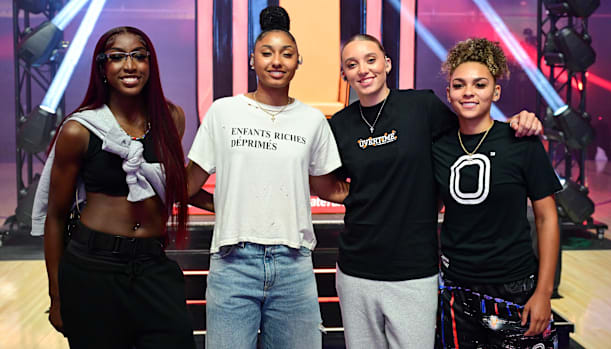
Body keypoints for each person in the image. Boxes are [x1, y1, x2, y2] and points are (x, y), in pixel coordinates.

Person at [328, 34, 543, 349]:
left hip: (416, 271)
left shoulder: (422, 106)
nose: (363, 69)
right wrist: (368, 198)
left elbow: (471, 128)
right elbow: (325, 182)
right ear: (343, 74)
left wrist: (515, 124)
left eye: (371, 59)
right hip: (355, 271)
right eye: (352, 64)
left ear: (387, 63)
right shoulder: (341, 125)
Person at [186, 6, 347, 349]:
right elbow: (187, 186)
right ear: (252, 60)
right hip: (233, 264)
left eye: (287, 54)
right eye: (267, 53)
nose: (277, 61)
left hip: (294, 264)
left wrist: (389, 191)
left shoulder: (313, 120)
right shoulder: (224, 111)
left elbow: (326, 187)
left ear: (297, 62)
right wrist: (223, 205)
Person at [35, 26, 195, 348]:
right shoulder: (79, 130)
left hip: (152, 265)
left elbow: (169, 182)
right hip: (94, 268)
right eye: (118, 57)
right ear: (102, 68)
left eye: (139, 55)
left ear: (150, 64)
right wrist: (56, 295)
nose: (130, 65)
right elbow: (55, 217)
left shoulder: (171, 118)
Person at [433, 38, 561, 348]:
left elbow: (546, 219)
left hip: (515, 289)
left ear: (495, 91)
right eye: (459, 85)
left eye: (479, 84)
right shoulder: (438, 147)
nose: (469, 92)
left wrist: (543, 293)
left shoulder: (521, 141)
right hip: (456, 291)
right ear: (448, 92)